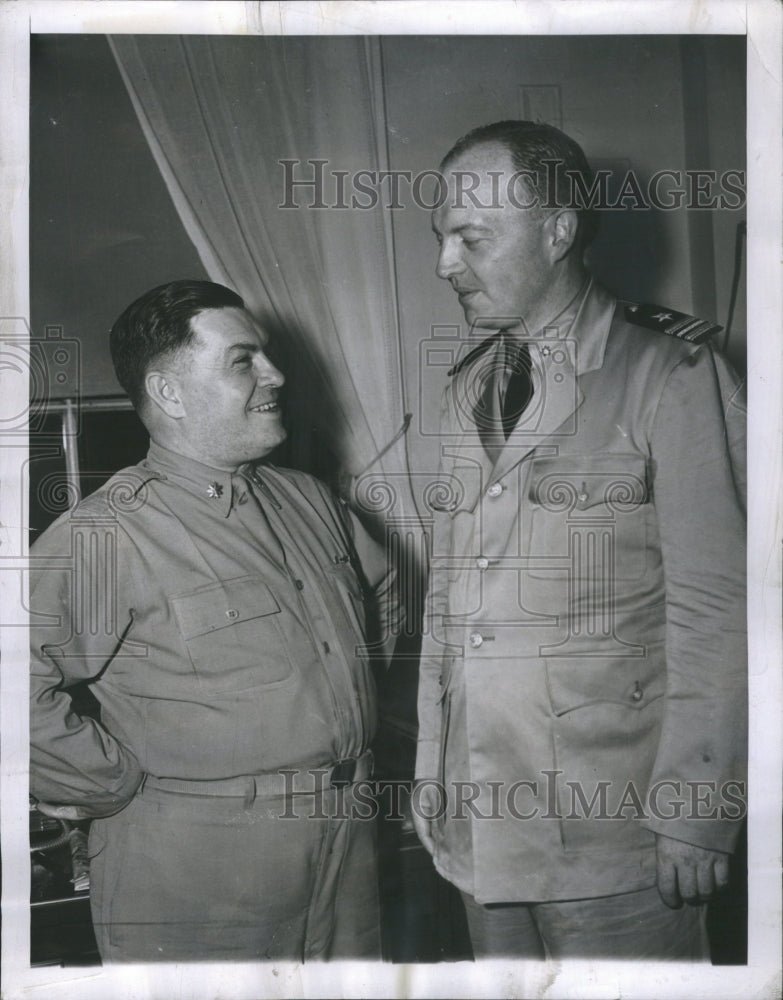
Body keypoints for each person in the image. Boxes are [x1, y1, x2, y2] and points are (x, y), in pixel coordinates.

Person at [413, 120, 747, 960]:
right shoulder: (467, 392)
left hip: (616, 831)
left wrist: (699, 812)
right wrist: (432, 771)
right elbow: (446, 606)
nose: (445, 265)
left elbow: (721, 610)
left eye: (471, 237)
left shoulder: (670, 375)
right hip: (482, 819)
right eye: (441, 238)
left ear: (558, 230)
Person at [29, 279, 397, 962]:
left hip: (346, 844)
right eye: (243, 360)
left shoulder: (308, 499)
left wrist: (342, 702)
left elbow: (385, 593)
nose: (275, 375)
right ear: (168, 392)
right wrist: (106, 781)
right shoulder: (108, 534)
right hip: (201, 867)